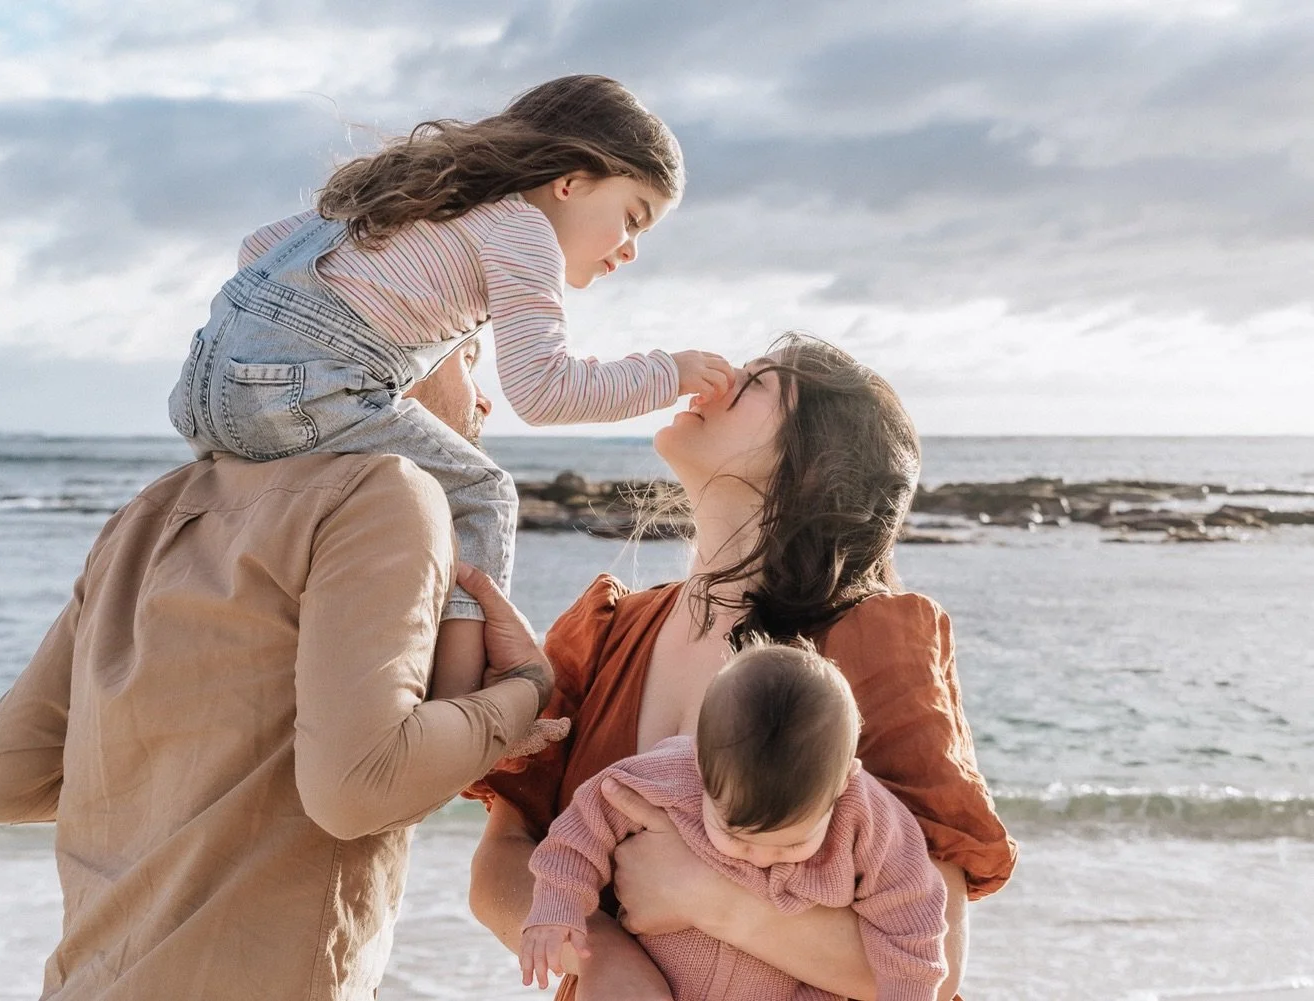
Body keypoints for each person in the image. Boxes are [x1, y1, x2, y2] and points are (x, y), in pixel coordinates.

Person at [0, 338, 556, 1001]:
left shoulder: (153, 511)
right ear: (397, 350)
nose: (485, 397)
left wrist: (177, 789)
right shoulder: (385, 489)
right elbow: (362, 787)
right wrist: (522, 691)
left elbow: (5, 781)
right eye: (470, 357)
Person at [468, 333, 1018, 1001]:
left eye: (755, 382)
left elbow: (941, 959)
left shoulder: (872, 637)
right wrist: (607, 954)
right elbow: (503, 858)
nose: (714, 379)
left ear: (814, 462)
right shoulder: (605, 630)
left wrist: (707, 897)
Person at [166, 74, 734, 703]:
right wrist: (668, 373)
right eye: (633, 219)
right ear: (570, 182)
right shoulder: (523, 230)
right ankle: (457, 703)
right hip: (302, 392)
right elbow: (547, 392)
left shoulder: (417, 200)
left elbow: (258, 246)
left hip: (202, 388)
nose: (630, 251)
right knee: (483, 491)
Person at [519, 638, 948, 1001]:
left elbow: (912, 918)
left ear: (841, 790)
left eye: (791, 844)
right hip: (667, 983)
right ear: (701, 768)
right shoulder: (671, 775)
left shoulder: (868, 820)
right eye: (737, 836)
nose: (761, 858)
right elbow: (581, 830)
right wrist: (558, 905)